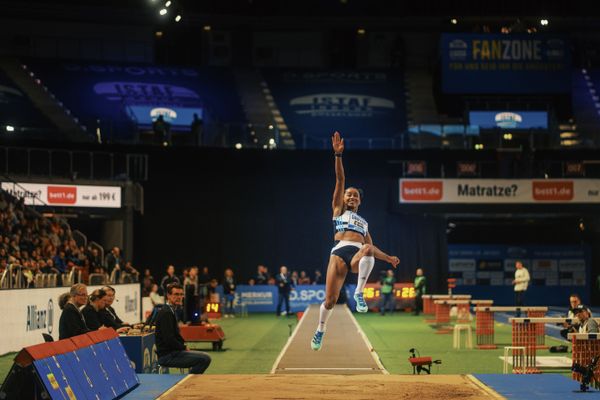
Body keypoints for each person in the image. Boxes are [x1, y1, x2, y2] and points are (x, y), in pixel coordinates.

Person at [311, 132, 400, 351]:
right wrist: (338, 155)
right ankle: (320, 330)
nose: (351, 197)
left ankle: (359, 293)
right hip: (339, 253)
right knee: (330, 301)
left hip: (357, 256)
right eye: (349, 195)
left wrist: (388, 258)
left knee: (368, 247)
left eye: (355, 196)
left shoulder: (364, 222)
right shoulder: (338, 210)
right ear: (343, 199)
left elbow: (371, 247)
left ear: (359, 201)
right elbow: (340, 180)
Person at [155, 283, 211, 374]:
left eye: (181, 294)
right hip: (168, 356)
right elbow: (169, 339)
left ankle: (189, 381)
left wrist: (183, 347)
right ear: (168, 296)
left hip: (173, 352)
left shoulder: (171, 310)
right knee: (205, 359)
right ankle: (189, 383)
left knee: (203, 357)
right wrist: (183, 347)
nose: (179, 297)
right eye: (176, 294)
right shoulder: (166, 313)